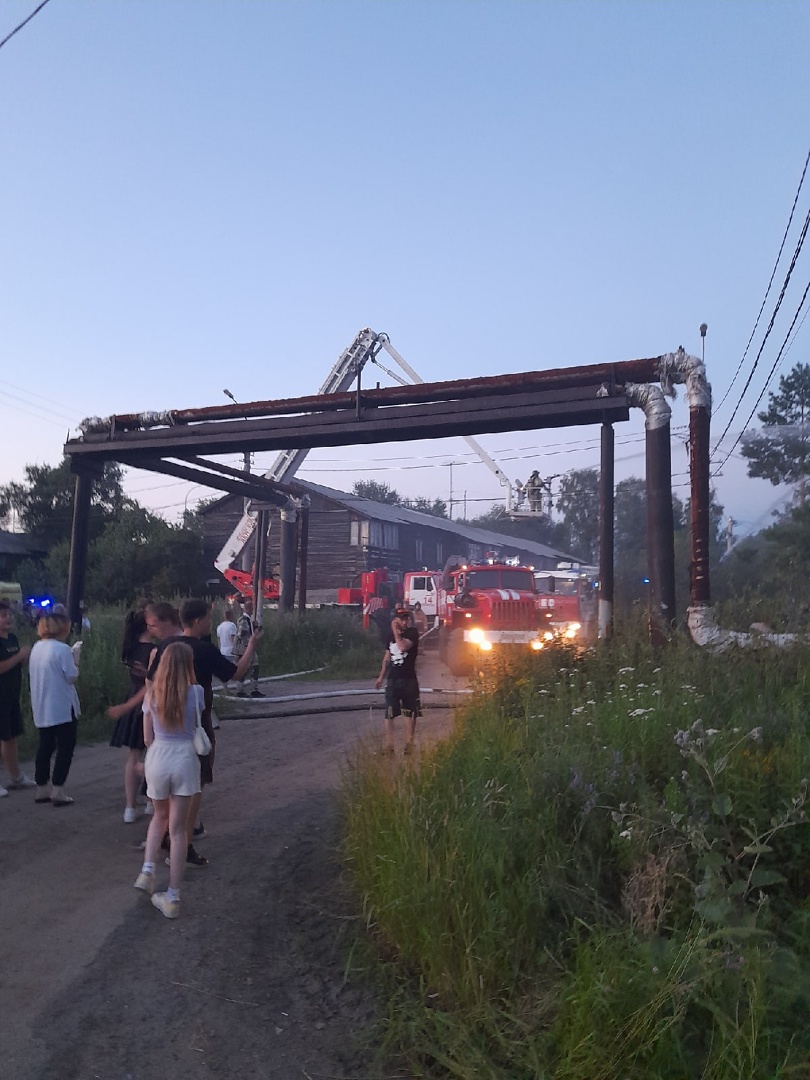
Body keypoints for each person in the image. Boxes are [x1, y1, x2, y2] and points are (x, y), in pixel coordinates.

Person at [146, 598, 263, 866]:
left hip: (165, 722)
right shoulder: (204, 650)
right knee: (195, 782)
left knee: (166, 790)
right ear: (197, 621)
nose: (209, 624)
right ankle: (183, 843)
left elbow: (151, 682)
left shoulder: (164, 646)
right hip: (197, 723)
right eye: (207, 620)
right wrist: (252, 645)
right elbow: (235, 674)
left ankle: (166, 838)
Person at [133, 641, 204, 919]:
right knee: (178, 831)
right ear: (188, 665)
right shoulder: (195, 692)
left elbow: (147, 739)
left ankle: (146, 872)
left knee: (158, 818)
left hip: (158, 758)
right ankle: (172, 897)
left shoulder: (151, 696)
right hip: (185, 759)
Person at [29, 606, 81, 806]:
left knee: (45, 746)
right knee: (65, 747)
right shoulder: (62, 649)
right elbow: (71, 676)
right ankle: (58, 789)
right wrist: (75, 658)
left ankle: (41, 786)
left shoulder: (36, 647)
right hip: (61, 705)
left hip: (42, 704)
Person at [109, 608, 154, 823]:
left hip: (132, 696)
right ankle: (150, 800)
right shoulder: (154, 650)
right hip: (149, 702)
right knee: (154, 754)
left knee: (133, 755)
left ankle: (129, 807)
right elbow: (151, 683)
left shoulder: (131, 648)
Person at [375, 605, 421, 756]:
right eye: (401, 619)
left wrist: (396, 631)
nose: (405, 621)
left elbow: (402, 647)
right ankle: (389, 746)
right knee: (389, 714)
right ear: (395, 620)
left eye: (406, 618)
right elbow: (387, 658)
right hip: (393, 680)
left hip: (409, 680)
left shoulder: (412, 634)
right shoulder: (390, 636)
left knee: (410, 713)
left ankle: (409, 744)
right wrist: (381, 676)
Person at [0, 598, 35, 796]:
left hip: (11, 696)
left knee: (10, 737)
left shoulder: (12, 638)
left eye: (9, 614)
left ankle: (16, 777)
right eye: (3, 616)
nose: (8, 618)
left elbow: (14, 664)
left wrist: (24, 659)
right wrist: (19, 657)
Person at [234, 597, 263, 697]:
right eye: (251, 608)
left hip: (249, 649)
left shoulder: (249, 620)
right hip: (245, 649)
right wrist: (250, 643)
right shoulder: (243, 620)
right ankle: (240, 690)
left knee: (255, 667)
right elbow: (241, 635)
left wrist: (255, 628)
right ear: (248, 609)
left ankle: (254, 689)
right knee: (244, 669)